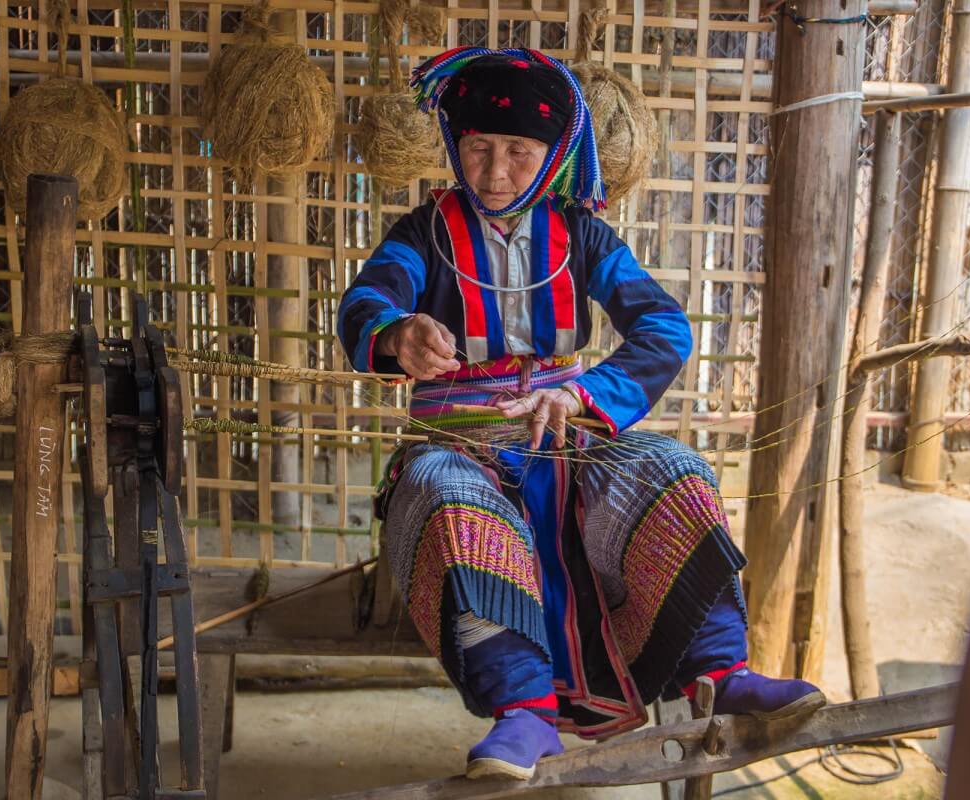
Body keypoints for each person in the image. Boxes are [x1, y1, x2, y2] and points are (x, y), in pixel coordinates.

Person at [338, 46, 825, 781]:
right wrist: (397, 333)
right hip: (460, 442)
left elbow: (664, 327)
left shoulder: (579, 237)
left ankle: (720, 673)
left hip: (568, 432)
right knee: (450, 499)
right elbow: (365, 305)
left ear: (553, 153)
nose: (495, 172)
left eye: (518, 151)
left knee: (675, 470)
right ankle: (524, 714)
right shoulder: (424, 235)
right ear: (454, 144)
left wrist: (579, 397)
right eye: (477, 148)